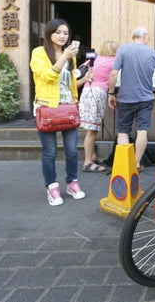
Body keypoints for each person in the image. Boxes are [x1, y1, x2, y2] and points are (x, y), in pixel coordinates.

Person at [30, 19, 90, 206]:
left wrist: (85, 78)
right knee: (50, 152)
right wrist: (64, 57)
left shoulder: (70, 57)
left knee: (72, 151)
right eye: (58, 32)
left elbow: (69, 83)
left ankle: (72, 183)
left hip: (68, 107)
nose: (63, 36)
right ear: (49, 34)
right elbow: (48, 77)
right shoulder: (39, 53)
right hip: (47, 107)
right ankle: (52, 187)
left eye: (65, 33)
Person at [107, 26, 155, 171]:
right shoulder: (152, 53)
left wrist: (110, 93)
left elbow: (114, 74)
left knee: (122, 132)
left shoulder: (123, 50)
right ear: (144, 36)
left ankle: (124, 165)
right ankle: (137, 163)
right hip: (146, 99)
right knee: (142, 131)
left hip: (125, 98)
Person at [79, 40, 119, 173]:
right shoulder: (113, 61)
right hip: (97, 94)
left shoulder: (95, 59)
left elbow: (79, 71)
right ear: (114, 51)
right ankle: (88, 163)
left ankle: (93, 156)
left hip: (86, 92)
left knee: (91, 127)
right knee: (92, 130)